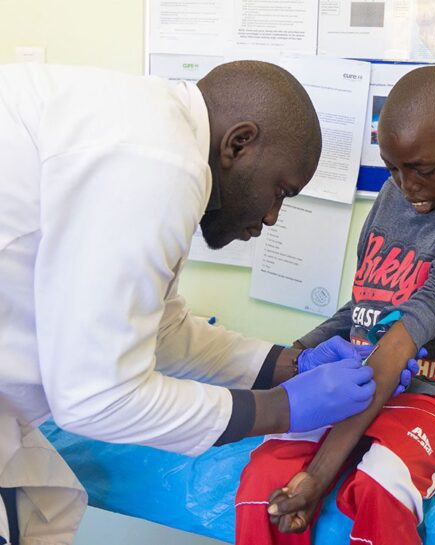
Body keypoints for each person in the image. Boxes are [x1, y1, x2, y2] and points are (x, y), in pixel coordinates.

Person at [0, 60, 380, 544]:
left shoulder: (156, 135)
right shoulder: (163, 163)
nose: (270, 216)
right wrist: (278, 408)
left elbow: (160, 325)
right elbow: (95, 399)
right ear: (238, 144)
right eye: (280, 190)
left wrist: (288, 366)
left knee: (41, 516)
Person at [235, 65, 435, 544]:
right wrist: (302, 353)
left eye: (422, 170)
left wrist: (320, 477)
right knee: (265, 479)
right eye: (392, 168)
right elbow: (367, 306)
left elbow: (402, 337)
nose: (406, 186)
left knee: (381, 485)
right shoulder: (395, 196)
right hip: (361, 374)